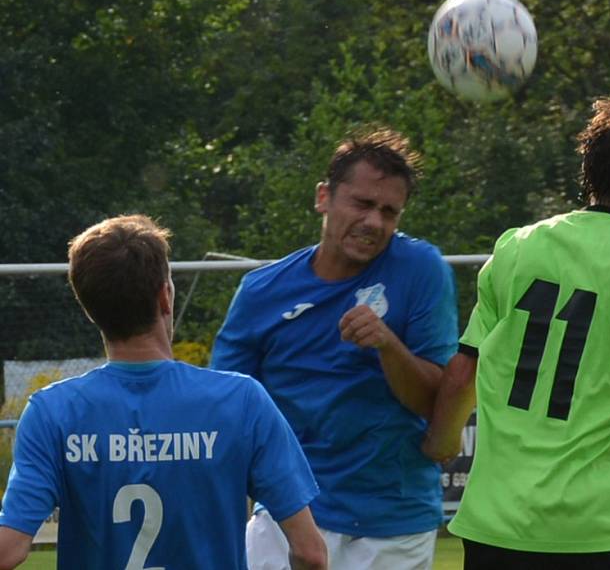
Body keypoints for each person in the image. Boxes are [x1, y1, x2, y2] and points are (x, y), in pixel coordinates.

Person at [422, 84, 610, 569]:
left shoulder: (516, 247)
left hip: (495, 528)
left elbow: (463, 374)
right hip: (598, 530)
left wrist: (441, 442)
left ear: (586, 169)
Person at [0, 215, 327, 570]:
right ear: (165, 296)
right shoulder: (241, 400)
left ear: (89, 310)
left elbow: (9, 549)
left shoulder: (52, 412)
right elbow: (310, 553)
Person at [211, 127, 459, 570]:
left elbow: (434, 404)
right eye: (362, 204)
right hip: (289, 515)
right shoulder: (261, 292)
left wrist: (387, 345)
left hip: (393, 519)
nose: (375, 223)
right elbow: (228, 411)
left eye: (389, 212)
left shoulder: (422, 269)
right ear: (323, 197)